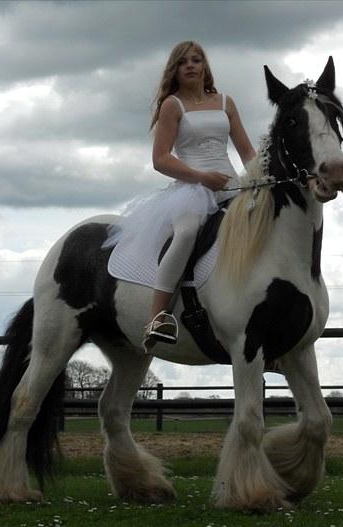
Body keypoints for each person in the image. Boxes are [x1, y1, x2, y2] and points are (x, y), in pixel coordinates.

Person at [104, 41, 256, 351]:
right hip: (191, 190)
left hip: (232, 187)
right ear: (175, 69)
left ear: (204, 66)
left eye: (196, 60)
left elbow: (247, 152)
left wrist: (258, 182)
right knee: (186, 233)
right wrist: (202, 178)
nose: (190, 65)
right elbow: (160, 158)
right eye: (183, 61)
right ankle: (158, 317)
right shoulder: (172, 105)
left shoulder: (226, 102)